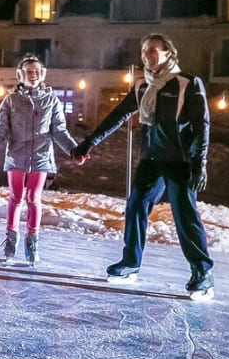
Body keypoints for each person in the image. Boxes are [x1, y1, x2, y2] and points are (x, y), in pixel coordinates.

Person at [72, 33, 215, 300]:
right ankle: (130, 263)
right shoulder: (142, 86)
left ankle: (202, 272)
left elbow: (201, 125)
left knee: (185, 215)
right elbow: (119, 114)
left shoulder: (188, 83)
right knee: (135, 206)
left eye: (152, 51)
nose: (146, 56)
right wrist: (90, 142)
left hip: (180, 161)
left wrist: (200, 162)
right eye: (143, 52)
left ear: (168, 54)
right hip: (151, 159)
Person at [0, 54, 84, 265]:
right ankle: (11, 237)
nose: (33, 75)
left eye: (37, 72)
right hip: (16, 157)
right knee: (16, 196)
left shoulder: (51, 100)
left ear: (43, 75)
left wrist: (74, 151)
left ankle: (33, 241)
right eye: (29, 72)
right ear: (20, 75)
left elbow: (59, 131)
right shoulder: (11, 101)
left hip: (40, 158)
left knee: (33, 198)